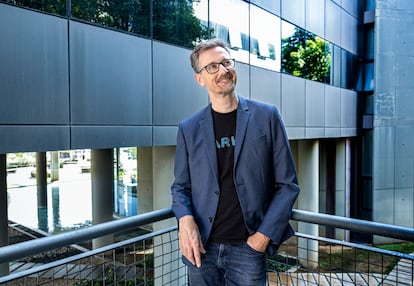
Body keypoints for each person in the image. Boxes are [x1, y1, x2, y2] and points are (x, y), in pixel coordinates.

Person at [171, 38, 300, 286]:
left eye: (226, 62)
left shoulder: (267, 116)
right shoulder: (188, 129)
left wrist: (262, 238)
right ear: (200, 79)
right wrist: (185, 221)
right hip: (202, 248)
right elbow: (181, 187)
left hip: (248, 248)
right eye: (212, 67)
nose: (222, 70)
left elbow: (288, 185)